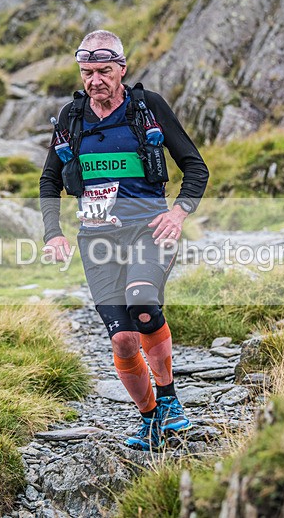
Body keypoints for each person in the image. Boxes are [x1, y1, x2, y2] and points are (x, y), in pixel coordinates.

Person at [39, 30, 209, 451]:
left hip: (149, 231)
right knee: (122, 338)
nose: (94, 80)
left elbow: (195, 167)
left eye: (103, 71)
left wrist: (178, 212)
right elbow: (48, 182)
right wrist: (53, 232)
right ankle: (149, 419)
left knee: (143, 306)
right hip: (97, 241)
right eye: (86, 72)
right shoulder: (70, 118)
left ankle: (170, 401)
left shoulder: (146, 108)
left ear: (122, 69)